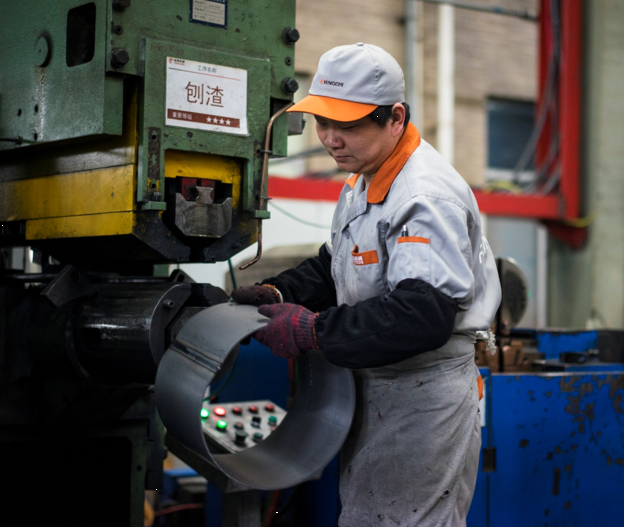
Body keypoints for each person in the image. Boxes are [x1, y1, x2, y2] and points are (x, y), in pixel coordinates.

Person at [232, 43, 501, 527]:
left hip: (421, 396)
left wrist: (312, 330)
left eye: (348, 125)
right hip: (378, 385)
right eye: (322, 122)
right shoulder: (364, 178)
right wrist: (279, 293)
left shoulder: (423, 196)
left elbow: (422, 315)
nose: (331, 139)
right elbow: (336, 264)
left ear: (395, 117)